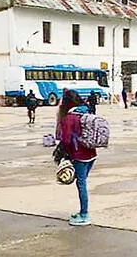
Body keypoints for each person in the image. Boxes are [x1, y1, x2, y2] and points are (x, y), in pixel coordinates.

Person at [56, 89, 96, 226]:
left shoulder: (69, 117)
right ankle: (82, 212)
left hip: (79, 155)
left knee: (81, 184)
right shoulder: (86, 111)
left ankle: (84, 215)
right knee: (83, 182)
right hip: (91, 153)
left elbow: (66, 140)